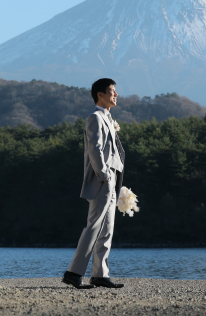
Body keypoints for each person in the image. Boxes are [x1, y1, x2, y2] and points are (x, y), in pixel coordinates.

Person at [62, 78, 126, 289]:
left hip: (112, 178)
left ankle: (100, 274)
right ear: (100, 94)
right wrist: (104, 175)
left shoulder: (108, 118)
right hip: (103, 179)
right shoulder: (95, 118)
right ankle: (73, 273)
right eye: (112, 91)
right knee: (94, 226)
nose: (116, 94)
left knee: (107, 228)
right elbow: (95, 149)